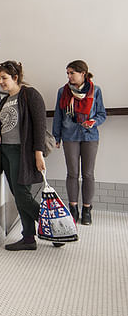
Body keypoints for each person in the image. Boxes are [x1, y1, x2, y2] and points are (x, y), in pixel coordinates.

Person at [0, 61, 46, 251]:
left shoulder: (29, 95)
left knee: (22, 196)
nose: (1, 82)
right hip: (6, 152)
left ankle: (54, 227)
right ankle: (28, 238)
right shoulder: (4, 101)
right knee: (19, 196)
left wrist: (39, 153)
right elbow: (0, 125)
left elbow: (40, 125)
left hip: (23, 153)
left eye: (4, 78)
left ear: (15, 77)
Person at [52, 59, 106, 225]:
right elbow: (58, 115)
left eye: (72, 73)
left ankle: (87, 209)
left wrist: (93, 122)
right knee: (72, 173)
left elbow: (101, 114)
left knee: (88, 174)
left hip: (90, 136)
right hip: (69, 136)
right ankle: (73, 208)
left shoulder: (95, 91)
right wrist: (57, 136)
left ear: (83, 73)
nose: (69, 76)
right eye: (67, 73)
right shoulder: (63, 91)